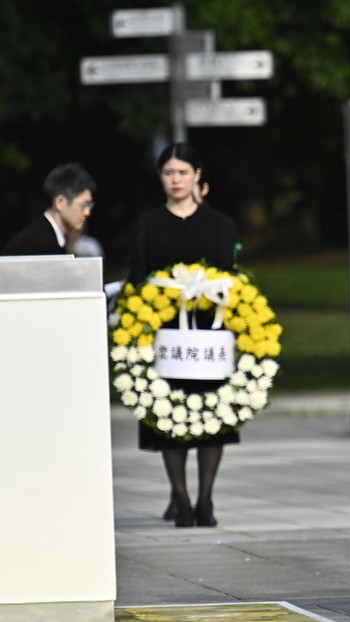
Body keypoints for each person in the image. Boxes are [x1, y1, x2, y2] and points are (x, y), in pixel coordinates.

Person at [129, 142, 238, 529]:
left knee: (211, 416)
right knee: (169, 416)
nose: (175, 180)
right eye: (168, 173)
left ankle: (206, 498)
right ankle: (180, 496)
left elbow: (230, 275)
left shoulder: (220, 225)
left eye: (182, 172)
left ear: (197, 176)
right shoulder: (147, 224)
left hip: (209, 333)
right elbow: (137, 277)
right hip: (165, 335)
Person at [3, 163, 96, 255]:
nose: (87, 212)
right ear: (60, 203)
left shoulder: (46, 238)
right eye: (83, 205)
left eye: (89, 206)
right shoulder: (38, 246)